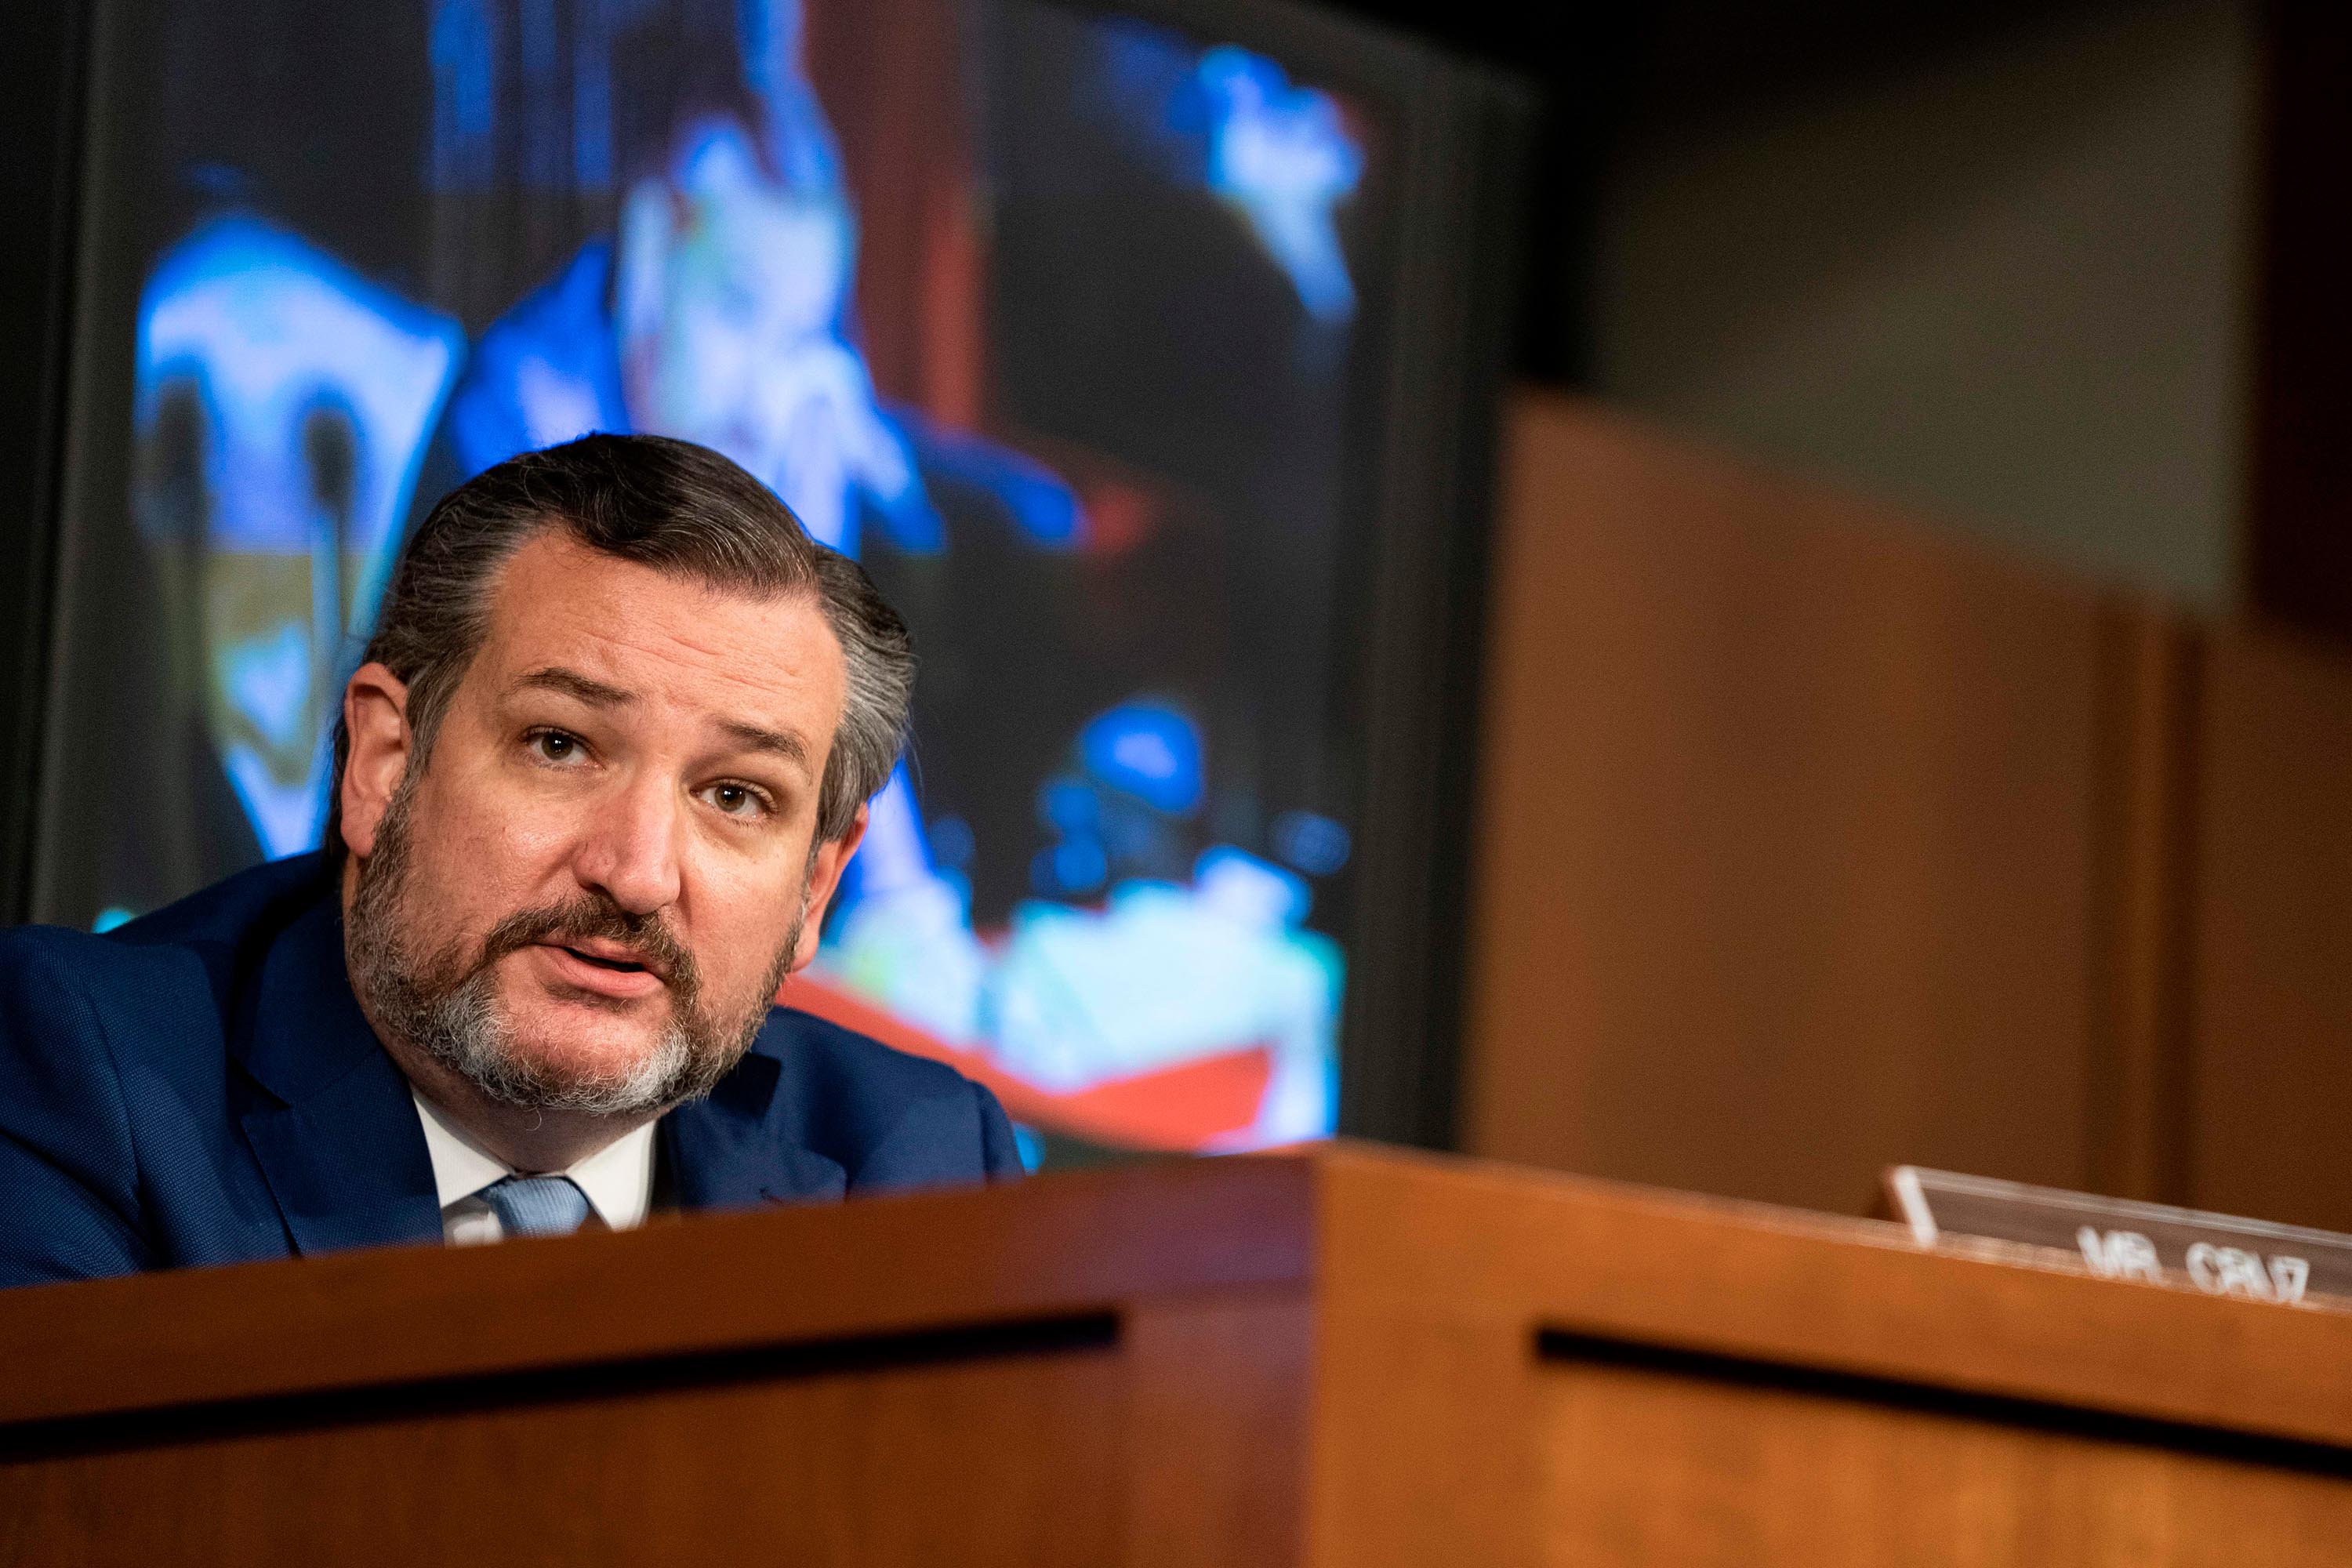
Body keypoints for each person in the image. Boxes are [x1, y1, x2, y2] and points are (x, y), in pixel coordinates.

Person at [0, 434, 1022, 1290]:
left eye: (734, 796)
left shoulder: (914, 1163)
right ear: (384, 766)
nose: (635, 873)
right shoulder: (85, 1080)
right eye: (560, 745)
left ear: (815, 888)